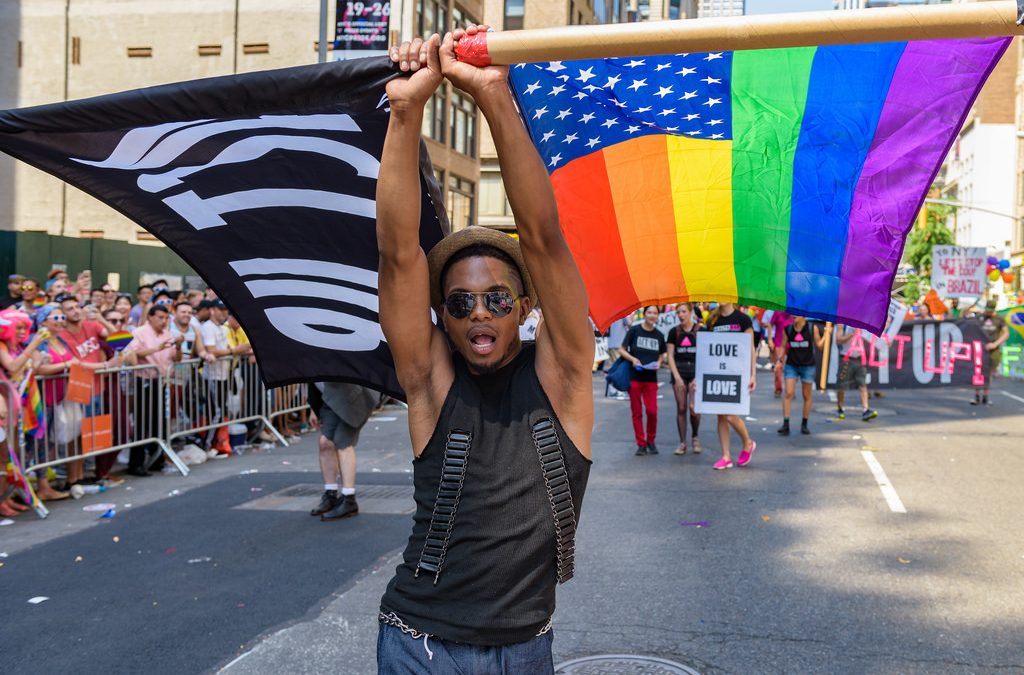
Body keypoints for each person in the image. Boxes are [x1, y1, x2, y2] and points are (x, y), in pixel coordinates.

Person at [374, 27, 593, 673]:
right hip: (419, 643)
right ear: (441, 314)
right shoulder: (432, 382)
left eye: (497, 299)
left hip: (525, 648)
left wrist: (493, 94)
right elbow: (397, 254)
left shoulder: (564, 376)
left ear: (525, 307)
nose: (479, 313)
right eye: (461, 302)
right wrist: (407, 112)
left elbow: (545, 238)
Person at [123, 304, 182, 475]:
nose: (163, 321)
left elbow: (176, 358)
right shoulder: (139, 332)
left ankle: (157, 460)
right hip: (144, 380)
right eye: (160, 317)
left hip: (161, 381)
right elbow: (134, 354)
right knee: (142, 423)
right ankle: (135, 464)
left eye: (165, 318)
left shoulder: (168, 334)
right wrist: (157, 348)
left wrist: (178, 346)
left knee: (159, 422)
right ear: (150, 317)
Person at [307, 382, 377, 521]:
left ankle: (349, 500)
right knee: (325, 443)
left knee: (342, 442)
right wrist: (313, 409)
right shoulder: (304, 362)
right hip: (331, 398)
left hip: (355, 396)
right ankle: (330, 494)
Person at [704, 303, 757, 470]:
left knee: (730, 416)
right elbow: (707, 349)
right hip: (717, 373)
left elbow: (751, 348)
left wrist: (753, 374)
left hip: (737, 373)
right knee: (721, 415)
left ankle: (747, 442)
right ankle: (726, 456)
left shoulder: (743, 319)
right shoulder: (713, 319)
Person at [618, 306, 667, 456]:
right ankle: (641, 444)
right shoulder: (634, 330)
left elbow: (662, 353)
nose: (652, 315)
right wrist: (633, 359)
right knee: (637, 412)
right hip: (635, 378)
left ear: (658, 316)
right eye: (649, 312)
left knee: (652, 411)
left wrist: (660, 361)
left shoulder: (659, 335)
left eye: (655, 313)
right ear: (644, 314)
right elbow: (621, 349)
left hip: (651, 379)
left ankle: (651, 440)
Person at [777, 316, 826, 435]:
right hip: (791, 365)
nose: (793, 317)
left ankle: (804, 424)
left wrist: (826, 335)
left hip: (807, 366)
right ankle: (786, 423)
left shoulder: (811, 328)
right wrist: (779, 360)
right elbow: (783, 346)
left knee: (806, 395)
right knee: (789, 393)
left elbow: (819, 345)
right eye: (792, 314)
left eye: (796, 314)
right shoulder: (788, 329)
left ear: (803, 315)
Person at [666, 303, 701, 455]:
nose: (681, 315)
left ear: (691, 312)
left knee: (694, 409)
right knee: (681, 407)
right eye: (678, 312)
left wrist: (698, 377)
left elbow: (705, 355)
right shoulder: (674, 332)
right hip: (679, 371)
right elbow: (670, 356)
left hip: (695, 371)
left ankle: (695, 437)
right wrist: (677, 377)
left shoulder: (700, 330)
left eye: (684, 311)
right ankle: (682, 443)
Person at [834, 324, 878, 421]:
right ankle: (840, 408)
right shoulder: (843, 323)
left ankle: (866, 410)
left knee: (862, 384)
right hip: (846, 358)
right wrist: (852, 334)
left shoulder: (863, 322)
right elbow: (838, 340)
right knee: (842, 385)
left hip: (859, 357)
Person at [972, 299, 1009, 406]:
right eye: (986, 310)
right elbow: (973, 329)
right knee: (978, 372)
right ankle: (977, 396)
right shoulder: (980, 317)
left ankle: (985, 396)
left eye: (989, 311)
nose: (987, 312)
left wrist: (995, 344)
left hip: (994, 349)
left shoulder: (999, 319)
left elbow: (1006, 334)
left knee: (989, 373)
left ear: (993, 310)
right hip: (980, 348)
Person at [767, 310, 793, 398]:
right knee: (778, 368)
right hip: (779, 344)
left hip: (793, 344)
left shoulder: (794, 311)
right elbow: (770, 324)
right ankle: (778, 389)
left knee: (793, 368)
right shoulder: (778, 312)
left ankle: (790, 389)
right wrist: (770, 339)